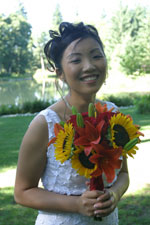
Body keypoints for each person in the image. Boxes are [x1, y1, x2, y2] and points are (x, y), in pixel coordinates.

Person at [14, 22, 129, 225]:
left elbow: (124, 174)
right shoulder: (45, 124)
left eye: (96, 56)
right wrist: (76, 205)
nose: (89, 66)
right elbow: (22, 192)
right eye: (76, 60)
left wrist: (114, 195)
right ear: (60, 73)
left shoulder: (113, 114)